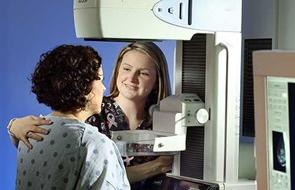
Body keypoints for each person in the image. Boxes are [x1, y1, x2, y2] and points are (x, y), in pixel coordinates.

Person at [7, 42, 173, 190]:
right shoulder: (93, 131)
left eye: (143, 73)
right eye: (127, 69)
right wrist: (14, 127)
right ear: (84, 89)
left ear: (158, 80)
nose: (131, 78)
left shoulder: (167, 121)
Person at [14, 44, 130, 189]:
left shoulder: (29, 133)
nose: (103, 87)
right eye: (100, 79)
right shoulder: (94, 144)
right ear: (84, 87)